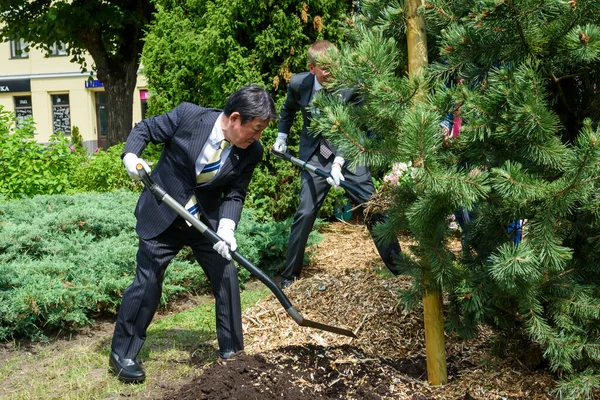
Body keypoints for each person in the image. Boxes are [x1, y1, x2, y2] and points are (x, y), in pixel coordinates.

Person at [109, 85, 277, 383]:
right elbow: (145, 129)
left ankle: (232, 355)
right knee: (147, 281)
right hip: (162, 211)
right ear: (235, 118)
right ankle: (123, 354)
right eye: (256, 128)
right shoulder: (189, 117)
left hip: (203, 221)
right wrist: (131, 156)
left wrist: (227, 227)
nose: (258, 136)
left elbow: (235, 194)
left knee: (226, 274)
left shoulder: (251, 151)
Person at [273, 40, 402, 289]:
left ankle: (401, 270)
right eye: (326, 69)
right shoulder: (299, 84)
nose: (332, 72)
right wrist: (281, 137)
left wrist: (339, 163)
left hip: (349, 152)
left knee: (372, 207)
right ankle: (290, 278)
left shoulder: (350, 87)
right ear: (312, 69)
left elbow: (353, 129)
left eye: (335, 66)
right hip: (316, 153)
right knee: (306, 211)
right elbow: (288, 110)